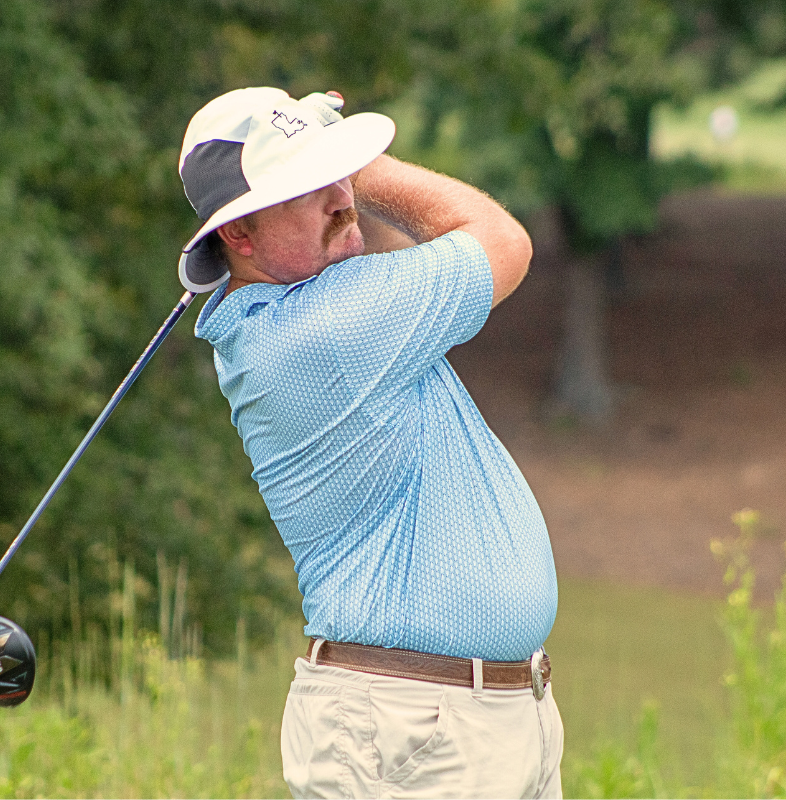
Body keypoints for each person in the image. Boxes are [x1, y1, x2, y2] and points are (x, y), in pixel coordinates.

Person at [174, 87, 561, 798]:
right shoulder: (322, 334)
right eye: (305, 188)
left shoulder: (302, 310)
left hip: (463, 720)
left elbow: (377, 244)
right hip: (414, 728)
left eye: (339, 180)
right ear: (240, 235)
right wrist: (361, 157)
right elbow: (501, 241)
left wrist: (327, 159)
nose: (340, 199)